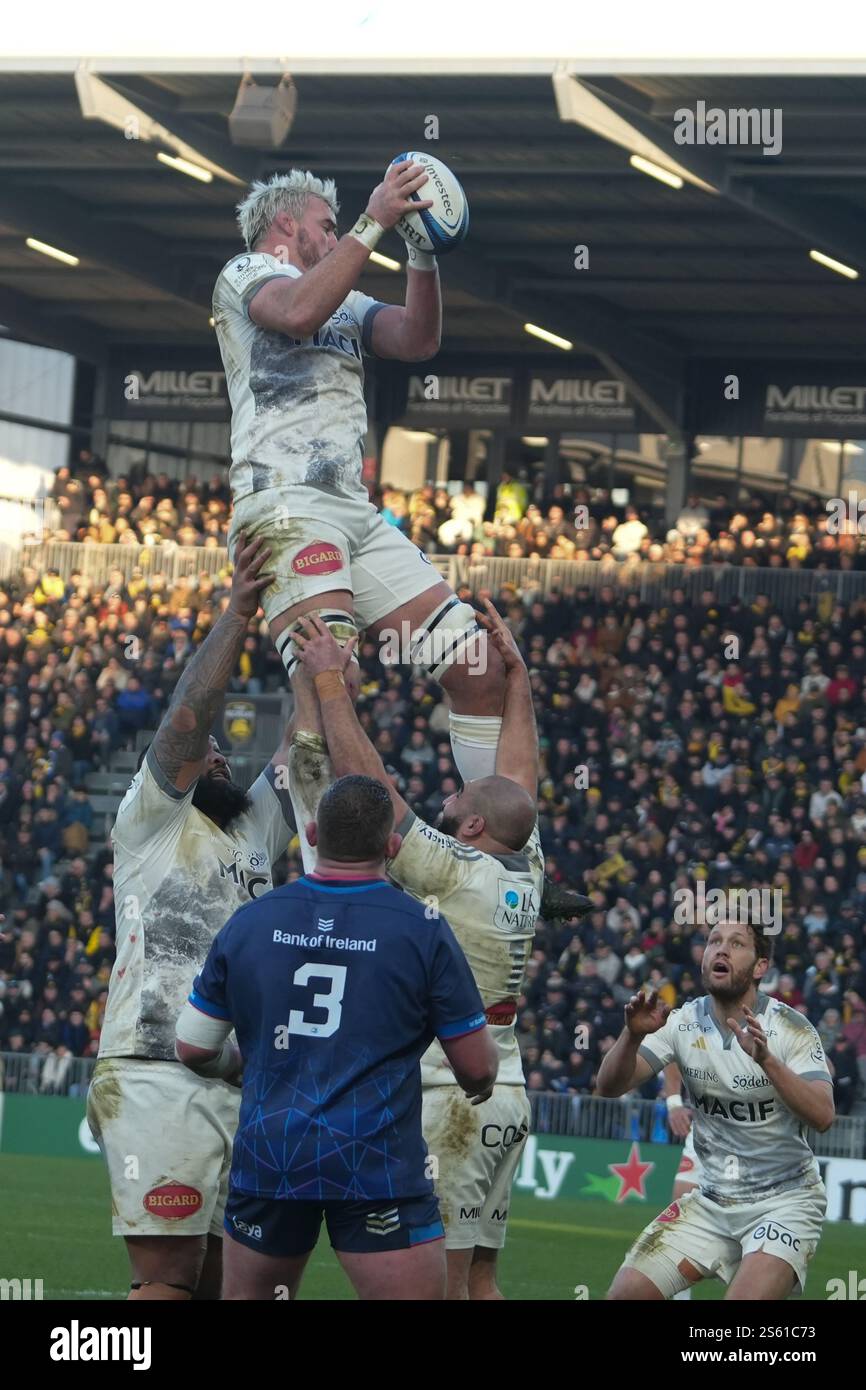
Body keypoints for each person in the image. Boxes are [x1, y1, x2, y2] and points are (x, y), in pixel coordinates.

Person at [211, 166, 508, 846]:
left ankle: (490, 850)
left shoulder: (341, 295)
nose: (337, 234)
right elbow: (293, 313)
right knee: (328, 683)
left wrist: (421, 251)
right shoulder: (247, 272)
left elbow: (416, 339)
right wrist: (374, 221)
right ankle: (326, 888)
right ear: (286, 224)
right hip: (286, 506)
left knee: (479, 670)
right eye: (327, 224)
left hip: (355, 512)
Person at [288, 601, 548, 1300]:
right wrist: (516, 679)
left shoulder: (457, 871)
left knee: (440, 1283)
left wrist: (331, 684)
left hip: (452, 1096)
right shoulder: (527, 864)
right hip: (508, 1091)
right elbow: (517, 782)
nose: (447, 799)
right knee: (482, 1281)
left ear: (470, 823)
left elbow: (375, 793)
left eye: (457, 796)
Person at [175, 774, 498, 1301]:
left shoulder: (251, 921)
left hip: (273, 1155)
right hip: (377, 1164)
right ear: (392, 847)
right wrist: (480, 1080)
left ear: (312, 834)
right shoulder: (424, 928)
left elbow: (192, 1046)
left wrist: (238, 1067)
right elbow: (478, 1068)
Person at [87, 535, 298, 1301]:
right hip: (156, 1070)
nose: (216, 754)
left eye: (222, 752)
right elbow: (187, 715)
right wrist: (239, 614)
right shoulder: (152, 818)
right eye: (202, 750)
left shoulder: (253, 830)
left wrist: (318, 647)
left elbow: (306, 745)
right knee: (169, 1282)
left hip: (242, 1078)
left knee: (221, 1286)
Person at [599, 919, 834, 1301]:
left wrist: (768, 1062)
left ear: (760, 966)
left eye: (736, 943)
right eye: (714, 941)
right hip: (710, 1201)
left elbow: (824, 1115)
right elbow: (608, 1086)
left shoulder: (792, 1028)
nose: (721, 949)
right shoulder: (681, 1022)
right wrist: (632, 1035)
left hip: (785, 1201)